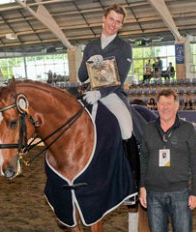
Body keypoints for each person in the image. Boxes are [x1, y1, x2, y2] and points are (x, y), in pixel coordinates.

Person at [78, 4, 145, 226]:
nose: (113, 24)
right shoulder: (91, 45)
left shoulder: (124, 47)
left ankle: (134, 181)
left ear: (122, 25)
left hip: (113, 95)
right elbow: (80, 76)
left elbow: (119, 78)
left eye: (118, 21)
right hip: (89, 93)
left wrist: (101, 91)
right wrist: (90, 60)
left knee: (126, 128)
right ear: (103, 19)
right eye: (111, 19)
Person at [139, 88, 196, 232]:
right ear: (157, 105)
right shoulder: (148, 129)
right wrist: (142, 187)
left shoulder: (188, 129)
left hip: (180, 193)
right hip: (153, 194)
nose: (165, 107)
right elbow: (143, 160)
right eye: (161, 104)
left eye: (169, 103)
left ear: (176, 106)